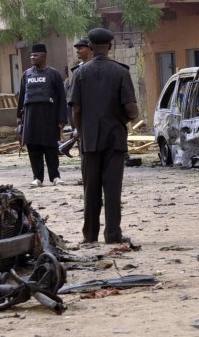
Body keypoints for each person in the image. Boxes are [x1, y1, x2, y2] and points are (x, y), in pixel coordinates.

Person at [69, 28, 140, 244]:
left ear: (90, 48)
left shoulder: (79, 74)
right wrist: (121, 120)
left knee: (90, 189)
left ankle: (89, 235)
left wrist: (81, 133)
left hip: (89, 140)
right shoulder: (121, 72)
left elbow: (76, 110)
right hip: (114, 138)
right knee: (112, 189)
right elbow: (132, 110)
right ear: (110, 47)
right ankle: (112, 235)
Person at [17, 43, 68, 187]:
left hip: (49, 118)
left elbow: (62, 98)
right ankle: (37, 178)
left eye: (36, 55)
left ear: (44, 56)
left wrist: (62, 118)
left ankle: (55, 177)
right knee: (33, 148)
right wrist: (19, 118)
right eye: (31, 55)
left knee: (51, 148)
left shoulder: (53, 74)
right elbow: (21, 97)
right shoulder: (26, 74)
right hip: (31, 119)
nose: (32, 57)